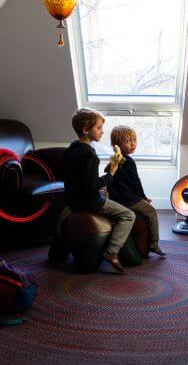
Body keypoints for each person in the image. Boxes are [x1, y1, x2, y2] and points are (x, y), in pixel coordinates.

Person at [63, 108, 135, 273]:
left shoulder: (70, 150)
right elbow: (93, 186)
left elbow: (79, 181)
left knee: (106, 195)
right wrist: (110, 173)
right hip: (88, 201)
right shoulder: (90, 156)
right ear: (86, 130)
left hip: (72, 200)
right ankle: (111, 252)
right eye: (99, 127)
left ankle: (58, 248)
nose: (103, 132)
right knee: (128, 215)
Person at [107, 125, 166, 257]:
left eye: (134, 140)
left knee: (146, 207)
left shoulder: (114, 159)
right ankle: (154, 244)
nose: (133, 144)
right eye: (127, 141)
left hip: (117, 197)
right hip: (126, 198)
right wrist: (143, 198)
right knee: (151, 211)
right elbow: (135, 183)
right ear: (117, 144)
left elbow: (111, 177)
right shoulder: (128, 161)